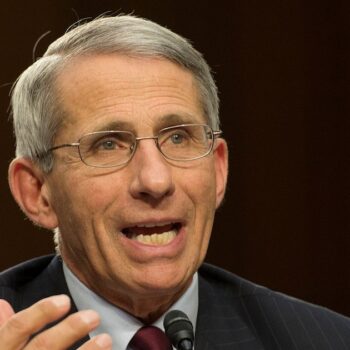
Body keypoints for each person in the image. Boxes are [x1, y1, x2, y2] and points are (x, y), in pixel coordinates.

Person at [0, 15, 349, 350]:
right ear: (37, 193)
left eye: (179, 138)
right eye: (108, 145)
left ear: (218, 170)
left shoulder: (326, 340)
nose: (156, 180)